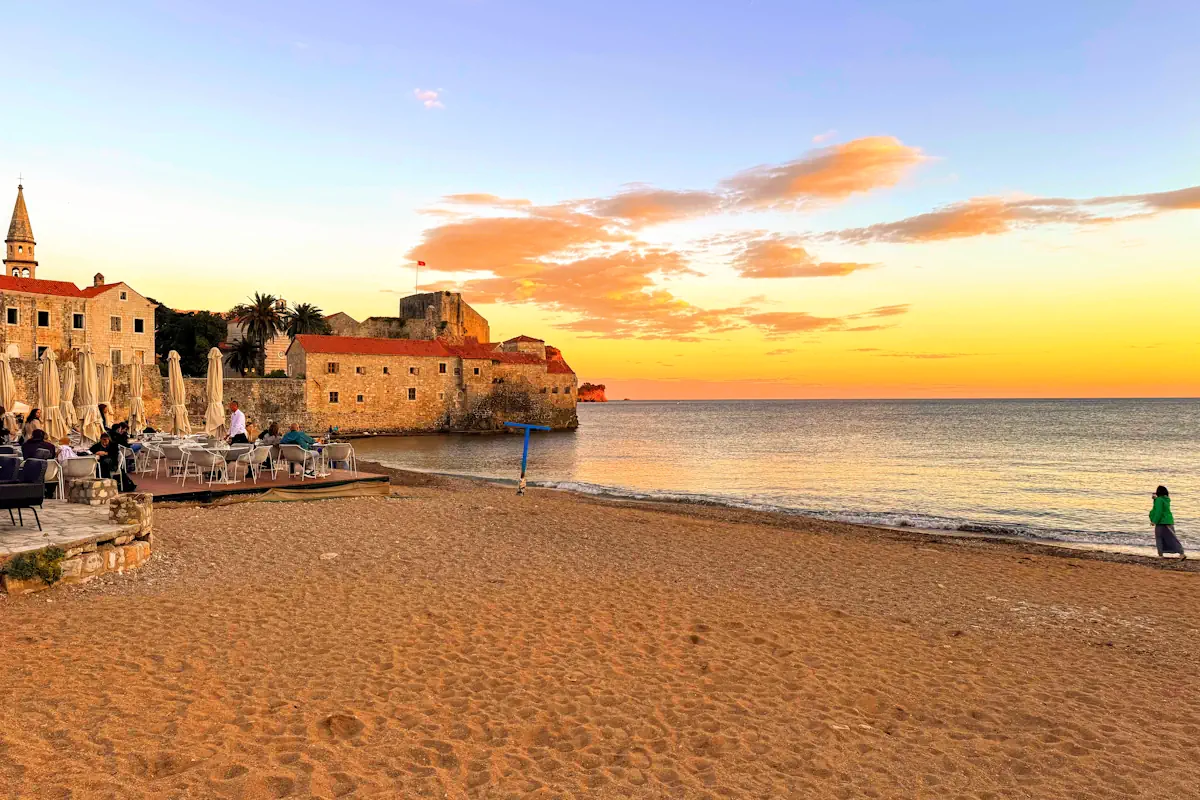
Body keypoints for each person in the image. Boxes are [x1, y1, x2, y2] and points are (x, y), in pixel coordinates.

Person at [1150, 486, 1185, 561]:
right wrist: (1155, 500)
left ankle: (1160, 555)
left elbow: (1158, 511)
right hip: (1169, 521)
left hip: (1161, 522)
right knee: (1172, 537)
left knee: (1159, 538)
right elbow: (1161, 508)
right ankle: (1181, 553)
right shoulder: (1166, 500)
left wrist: (1154, 521)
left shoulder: (1159, 500)